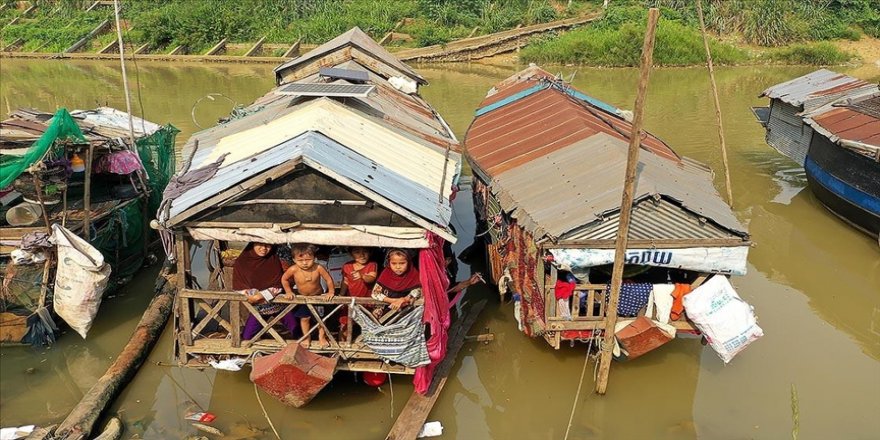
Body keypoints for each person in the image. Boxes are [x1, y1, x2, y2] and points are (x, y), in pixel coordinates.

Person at [233, 242, 298, 340]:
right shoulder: (242, 261)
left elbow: (280, 283)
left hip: (280, 304)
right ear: (253, 244)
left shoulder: (274, 259)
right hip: (258, 308)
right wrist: (251, 295)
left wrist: (261, 295)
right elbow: (239, 286)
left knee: (298, 332)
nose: (264, 248)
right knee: (247, 337)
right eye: (260, 244)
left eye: (268, 245)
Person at [282, 243, 335, 347]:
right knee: (304, 318)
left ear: (314, 258)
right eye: (300, 260)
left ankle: (322, 337)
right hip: (303, 298)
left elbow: (328, 279)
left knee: (320, 319)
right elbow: (284, 279)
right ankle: (306, 337)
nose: (305, 263)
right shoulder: (293, 269)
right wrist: (288, 291)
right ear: (294, 260)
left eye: (308, 259)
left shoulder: (319, 267)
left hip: (317, 297)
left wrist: (331, 291)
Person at [339, 247, 377, 339]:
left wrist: (362, 276)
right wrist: (341, 296)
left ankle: (367, 347)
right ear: (351, 254)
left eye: (365, 251)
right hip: (350, 301)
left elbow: (371, 278)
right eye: (357, 252)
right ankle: (342, 348)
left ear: (370, 253)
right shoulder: (347, 266)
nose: (362, 255)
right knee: (345, 325)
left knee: (368, 326)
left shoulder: (372, 264)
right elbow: (345, 282)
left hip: (366, 302)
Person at [372, 249, 421, 314]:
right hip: (384, 310)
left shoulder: (413, 274)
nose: (398, 267)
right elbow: (375, 293)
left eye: (402, 263)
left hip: (405, 312)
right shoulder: (386, 273)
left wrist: (403, 299)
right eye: (393, 263)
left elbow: (417, 292)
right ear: (389, 262)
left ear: (408, 262)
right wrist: (393, 301)